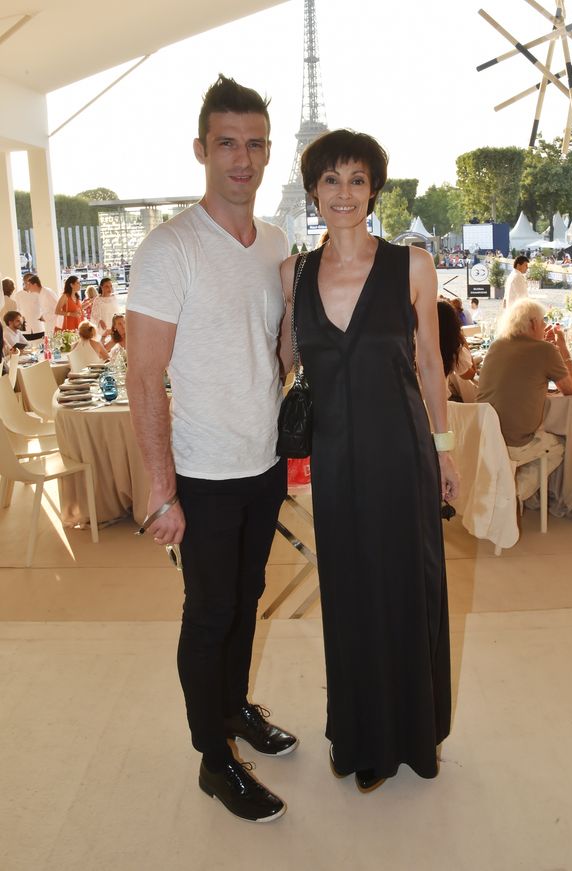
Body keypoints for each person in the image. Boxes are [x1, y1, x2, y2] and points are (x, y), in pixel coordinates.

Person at [126, 74, 295, 824]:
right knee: (211, 613)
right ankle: (212, 755)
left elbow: (280, 351)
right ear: (202, 149)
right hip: (200, 470)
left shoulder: (279, 244)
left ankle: (233, 708)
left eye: (255, 144)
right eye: (228, 143)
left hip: (263, 462)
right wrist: (161, 490)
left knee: (249, 598)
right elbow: (144, 373)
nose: (243, 159)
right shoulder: (171, 248)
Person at [280, 129, 458, 792]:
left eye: (357, 180)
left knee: (409, 588)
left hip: (402, 452)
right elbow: (283, 361)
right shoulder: (293, 273)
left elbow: (433, 365)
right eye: (331, 180)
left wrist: (444, 451)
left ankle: (415, 735)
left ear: (374, 189)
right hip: (334, 458)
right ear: (313, 193)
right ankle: (356, 734)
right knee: (351, 594)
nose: (344, 193)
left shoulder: (411, 266)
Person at [477, 298, 572, 473]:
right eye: (543, 321)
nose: (545, 326)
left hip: (485, 436)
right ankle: (516, 494)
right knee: (560, 445)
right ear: (532, 323)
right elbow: (570, 389)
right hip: (516, 442)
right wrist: (562, 347)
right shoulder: (545, 349)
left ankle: (508, 490)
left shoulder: (496, 345)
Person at [437, 299, 478, 402]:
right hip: (438, 405)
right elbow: (471, 374)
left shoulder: (416, 343)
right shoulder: (450, 349)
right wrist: (462, 339)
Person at [13, 275, 45, 340]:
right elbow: (17, 311)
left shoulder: (38, 293)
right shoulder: (18, 295)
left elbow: (44, 308)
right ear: (24, 282)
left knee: (42, 347)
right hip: (25, 330)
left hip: (39, 327)